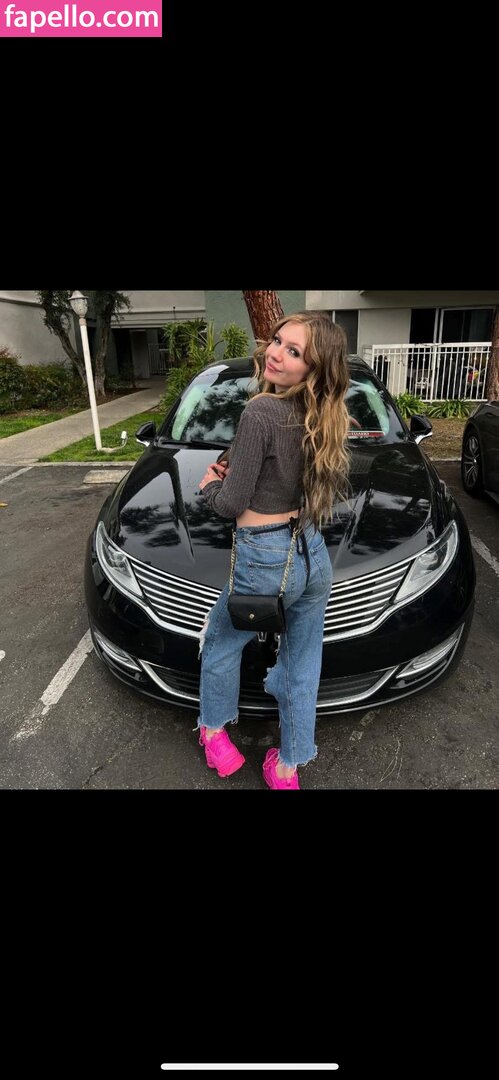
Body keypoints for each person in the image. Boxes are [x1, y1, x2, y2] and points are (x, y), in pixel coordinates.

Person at [196, 311, 351, 789]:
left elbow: (230, 505)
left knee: (222, 644)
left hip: (264, 558)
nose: (276, 353)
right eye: (278, 341)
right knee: (303, 661)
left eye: (294, 351)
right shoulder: (322, 415)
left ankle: (215, 736)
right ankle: (288, 767)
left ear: (313, 368)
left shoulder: (261, 411)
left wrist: (208, 486)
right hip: (310, 552)